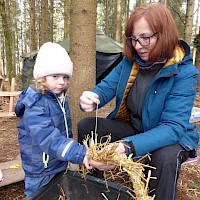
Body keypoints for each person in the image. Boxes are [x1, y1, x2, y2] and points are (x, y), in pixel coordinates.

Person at [78, 3, 199, 200]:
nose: (137, 45)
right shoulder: (130, 62)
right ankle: (95, 189)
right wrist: (90, 97)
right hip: (136, 127)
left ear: (164, 34)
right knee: (88, 126)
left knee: (165, 158)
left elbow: (173, 127)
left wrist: (127, 147)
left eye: (145, 38)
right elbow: (106, 87)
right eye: (133, 39)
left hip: (171, 136)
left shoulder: (184, 72)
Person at [15, 42, 92, 198]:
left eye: (65, 77)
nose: (61, 81)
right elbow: (48, 138)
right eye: (55, 76)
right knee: (37, 196)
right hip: (40, 169)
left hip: (57, 163)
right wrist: (78, 153)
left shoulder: (59, 98)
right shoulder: (35, 105)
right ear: (42, 77)